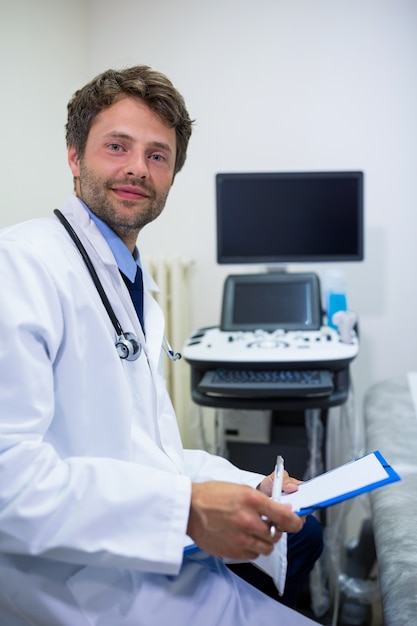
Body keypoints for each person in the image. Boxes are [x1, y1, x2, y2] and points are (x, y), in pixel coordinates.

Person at [0, 66, 323, 626]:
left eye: (157, 155)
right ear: (75, 157)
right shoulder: (20, 268)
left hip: (152, 563)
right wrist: (188, 510)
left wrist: (252, 483)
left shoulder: (131, 282)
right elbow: (9, 481)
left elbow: (148, 450)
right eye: (116, 146)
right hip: (79, 589)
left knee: (304, 532)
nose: (136, 169)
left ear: (172, 175)